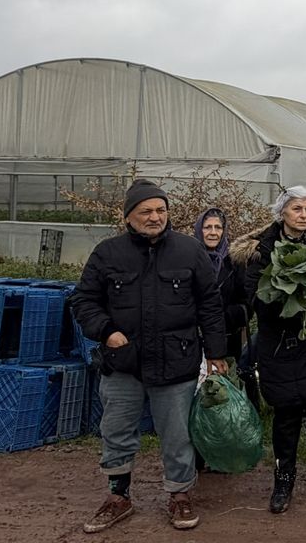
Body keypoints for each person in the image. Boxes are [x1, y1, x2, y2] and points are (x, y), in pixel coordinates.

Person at [71, 179, 227, 533]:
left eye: (161, 210)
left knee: (177, 434)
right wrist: (107, 332)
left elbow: (210, 306)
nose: (155, 217)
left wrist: (217, 352)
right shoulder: (107, 254)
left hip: (177, 361)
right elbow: (83, 301)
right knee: (116, 430)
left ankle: (180, 494)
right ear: (129, 217)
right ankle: (118, 496)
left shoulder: (189, 251)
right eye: (146, 211)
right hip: (123, 362)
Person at [239, 186, 306, 514]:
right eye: (297, 209)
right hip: (280, 346)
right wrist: (296, 295)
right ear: (282, 213)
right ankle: (283, 480)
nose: (304, 215)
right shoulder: (263, 249)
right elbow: (254, 298)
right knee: (286, 416)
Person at [193, 208, 250, 367]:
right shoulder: (188, 259)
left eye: (218, 227)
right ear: (199, 230)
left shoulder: (234, 262)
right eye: (207, 227)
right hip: (192, 342)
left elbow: (247, 304)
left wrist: (222, 316)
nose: (213, 232)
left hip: (228, 342)